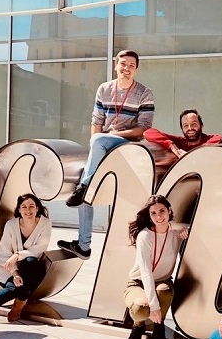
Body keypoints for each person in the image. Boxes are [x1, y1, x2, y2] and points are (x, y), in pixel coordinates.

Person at [60, 49, 155, 260]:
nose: (127, 68)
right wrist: (96, 142)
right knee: (87, 181)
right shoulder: (104, 89)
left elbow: (143, 130)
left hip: (129, 145)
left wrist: (110, 135)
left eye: (131, 65)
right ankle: (83, 245)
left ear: (136, 69)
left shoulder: (144, 93)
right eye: (123, 64)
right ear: (115, 65)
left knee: (85, 184)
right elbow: (96, 123)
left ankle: (83, 187)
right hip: (103, 144)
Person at [0, 194, 51, 326]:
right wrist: (15, 273)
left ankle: (9, 306)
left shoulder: (45, 223)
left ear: (38, 208)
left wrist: (17, 255)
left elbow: (40, 248)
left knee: (30, 262)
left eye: (31, 206)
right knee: (14, 287)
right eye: (24, 207)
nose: (28, 211)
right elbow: (3, 255)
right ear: (19, 210)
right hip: (7, 269)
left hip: (31, 268)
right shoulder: (11, 225)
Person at [124, 195, 189, 339]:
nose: (159, 216)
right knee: (141, 308)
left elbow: (194, 226)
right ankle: (138, 325)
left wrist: (177, 227)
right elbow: (146, 272)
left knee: (165, 290)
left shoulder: (175, 233)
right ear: (149, 215)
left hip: (163, 281)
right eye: (153, 213)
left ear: (169, 211)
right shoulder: (144, 236)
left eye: (162, 211)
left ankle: (159, 326)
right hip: (138, 283)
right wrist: (153, 306)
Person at [143, 109, 222, 164]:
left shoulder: (211, 139)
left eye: (194, 124)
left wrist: (190, 157)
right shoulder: (180, 142)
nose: (190, 128)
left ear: (201, 125)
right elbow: (148, 132)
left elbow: (220, 138)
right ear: (182, 129)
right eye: (185, 126)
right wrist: (171, 145)